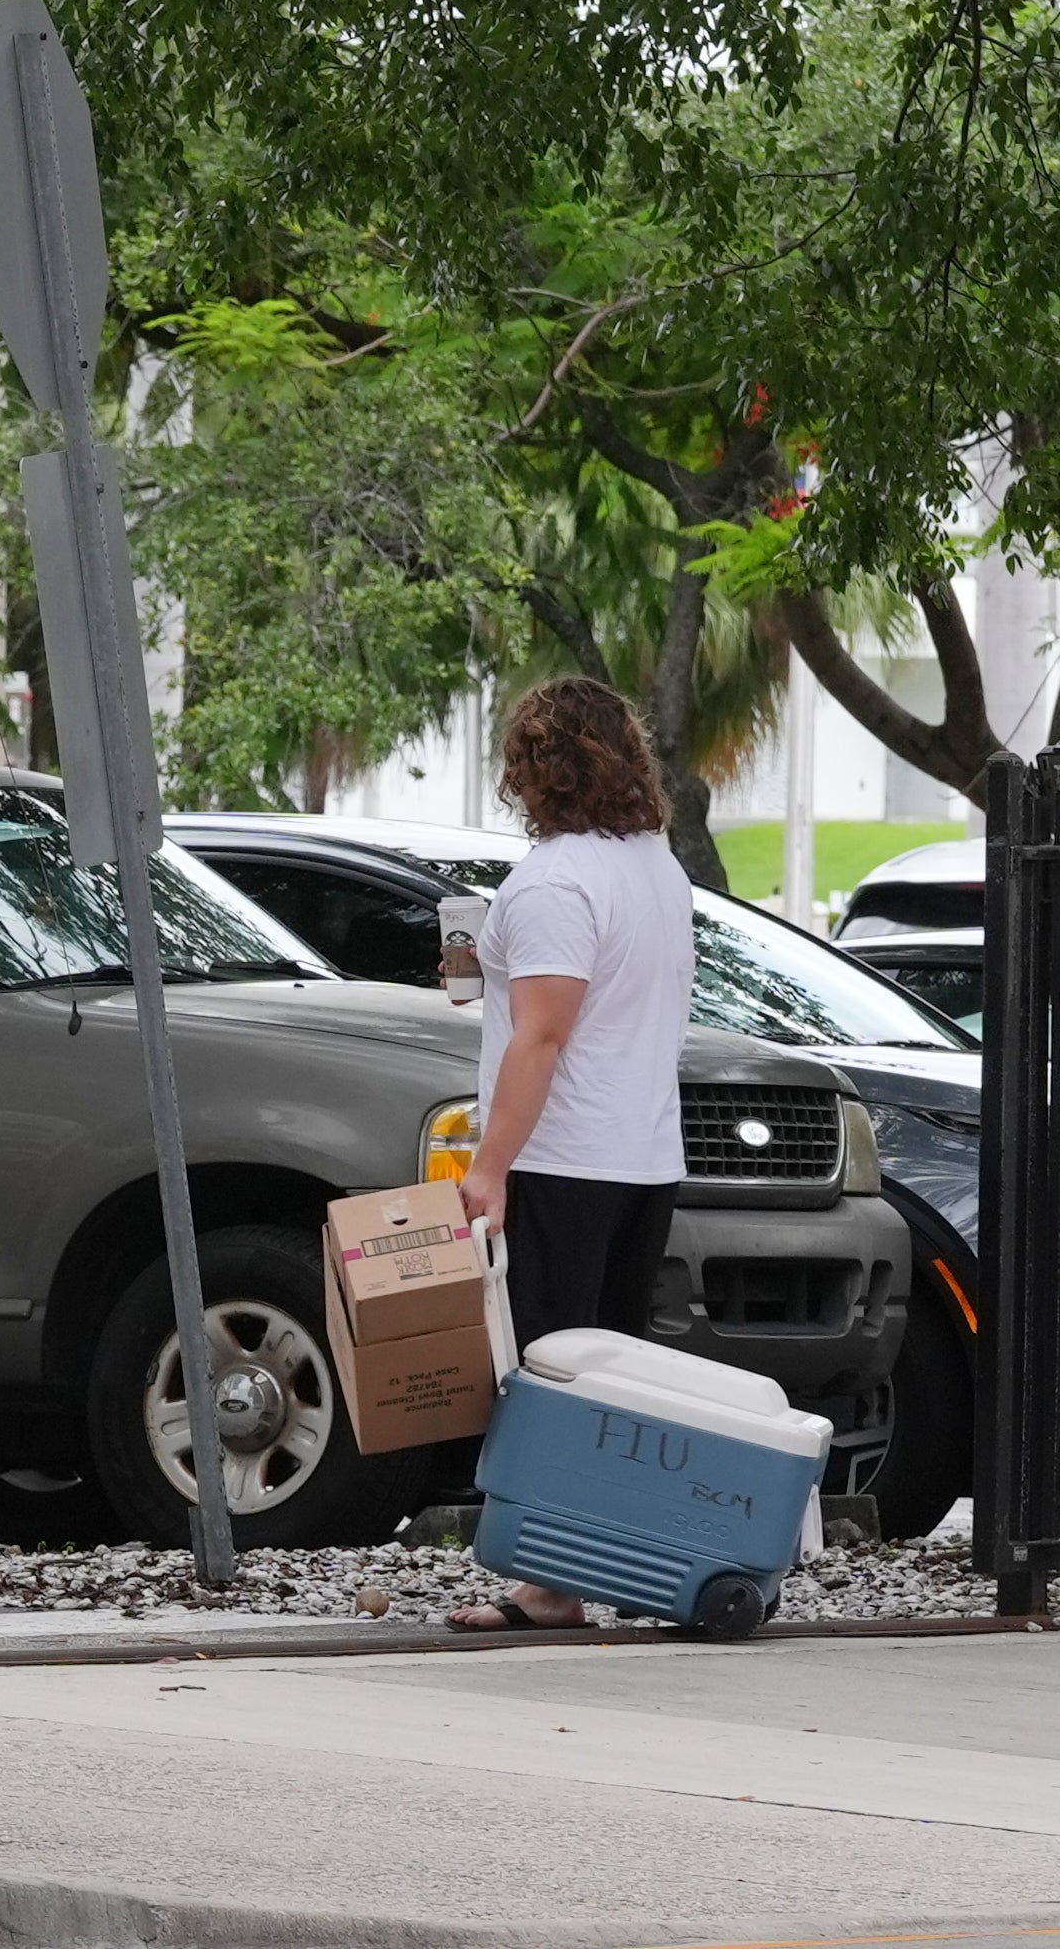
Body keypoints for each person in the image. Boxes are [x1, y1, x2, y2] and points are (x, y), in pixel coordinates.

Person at [441, 676, 696, 1633]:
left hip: (564, 1158)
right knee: (612, 1377)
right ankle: (606, 1559)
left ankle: (549, 1583)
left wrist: (488, 1166)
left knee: (544, 1374)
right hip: (642, 1156)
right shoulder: (654, 867)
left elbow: (540, 1037)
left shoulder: (553, 881)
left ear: (534, 769)